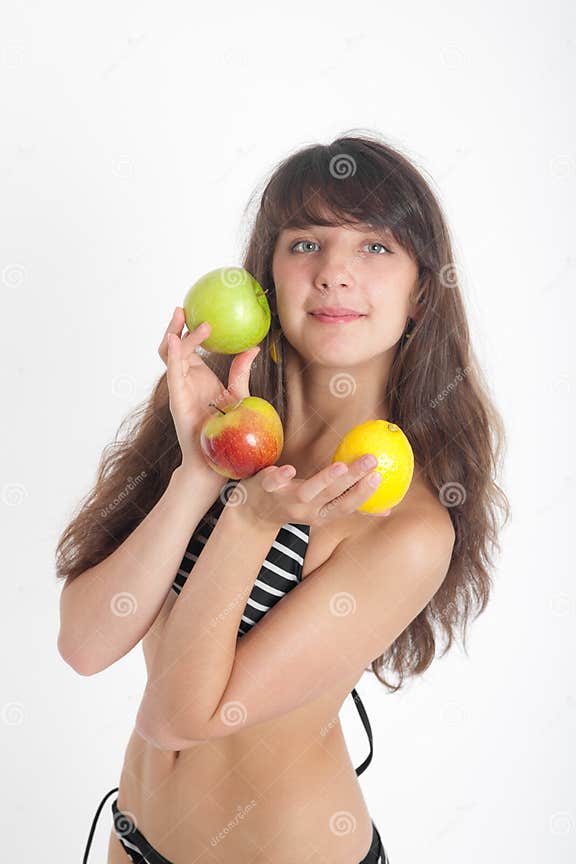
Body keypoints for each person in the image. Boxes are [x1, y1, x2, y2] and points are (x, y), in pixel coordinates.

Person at [57, 131, 510, 864]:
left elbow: (179, 716)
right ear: (267, 274)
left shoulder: (403, 521)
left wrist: (250, 521)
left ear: (421, 291)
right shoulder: (216, 421)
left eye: (375, 248)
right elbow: (84, 643)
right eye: (305, 243)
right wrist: (200, 473)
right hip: (133, 840)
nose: (334, 272)